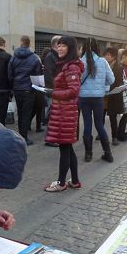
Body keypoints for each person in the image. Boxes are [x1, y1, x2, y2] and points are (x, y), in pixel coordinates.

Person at [44, 36, 84, 192]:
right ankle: (74, 181)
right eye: (58, 46)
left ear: (70, 48)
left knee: (64, 147)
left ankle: (61, 183)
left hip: (66, 112)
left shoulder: (71, 67)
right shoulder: (66, 65)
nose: (59, 48)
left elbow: (74, 91)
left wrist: (53, 93)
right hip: (63, 111)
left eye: (63, 46)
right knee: (67, 147)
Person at [78, 37, 114, 163]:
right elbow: (111, 80)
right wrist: (101, 85)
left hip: (83, 97)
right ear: (97, 47)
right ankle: (108, 153)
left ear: (83, 48)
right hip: (98, 97)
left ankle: (88, 154)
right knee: (99, 125)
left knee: (87, 124)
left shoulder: (80, 62)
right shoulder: (103, 61)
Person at [8, 35, 43, 146]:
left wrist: (14, 85)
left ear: (21, 43)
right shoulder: (34, 58)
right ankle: (24, 137)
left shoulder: (13, 57)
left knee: (20, 112)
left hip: (17, 89)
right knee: (26, 113)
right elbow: (38, 76)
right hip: (29, 89)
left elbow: (9, 74)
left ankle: (20, 135)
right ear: (29, 44)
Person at [43, 35, 61, 147]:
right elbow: (49, 75)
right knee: (52, 115)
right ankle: (50, 139)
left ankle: (54, 137)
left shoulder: (56, 56)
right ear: (56, 45)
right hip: (53, 90)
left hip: (55, 90)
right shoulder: (51, 56)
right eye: (61, 44)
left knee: (55, 115)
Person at [104, 47, 123, 146]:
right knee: (101, 115)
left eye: (108, 55)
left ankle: (114, 137)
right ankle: (100, 133)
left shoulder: (118, 67)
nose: (106, 57)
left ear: (113, 57)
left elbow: (118, 82)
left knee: (112, 117)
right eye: (105, 54)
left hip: (113, 95)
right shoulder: (103, 65)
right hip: (103, 94)